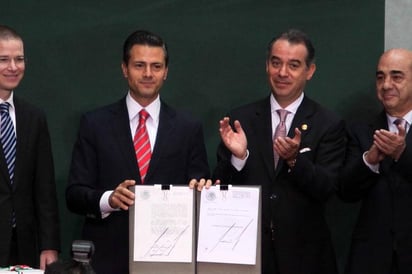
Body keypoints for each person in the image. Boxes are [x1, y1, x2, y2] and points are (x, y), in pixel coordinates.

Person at [191, 29, 346, 274]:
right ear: (267, 66)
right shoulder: (242, 119)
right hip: (246, 254)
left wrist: (295, 160)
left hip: (305, 257)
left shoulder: (328, 123)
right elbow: (219, 185)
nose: (282, 73)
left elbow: (327, 188)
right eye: (276, 63)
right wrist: (239, 158)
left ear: (310, 71)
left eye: (293, 65)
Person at [66, 29, 210, 274]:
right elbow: (74, 194)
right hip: (106, 260)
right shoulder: (94, 124)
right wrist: (109, 200)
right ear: (124, 69)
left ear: (166, 72)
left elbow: (199, 185)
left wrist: (202, 189)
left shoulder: (188, 128)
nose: (147, 74)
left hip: (170, 261)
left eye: (156, 66)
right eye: (139, 65)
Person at [339, 48, 412, 274]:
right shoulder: (360, 129)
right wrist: (369, 161)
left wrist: (402, 155)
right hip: (370, 259)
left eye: (396, 76)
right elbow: (345, 191)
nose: (386, 84)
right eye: (380, 77)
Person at [0, 25, 60, 269]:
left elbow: (44, 187)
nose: (13, 67)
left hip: (25, 247)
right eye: (3, 59)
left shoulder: (34, 117)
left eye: (19, 59)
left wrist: (49, 244)